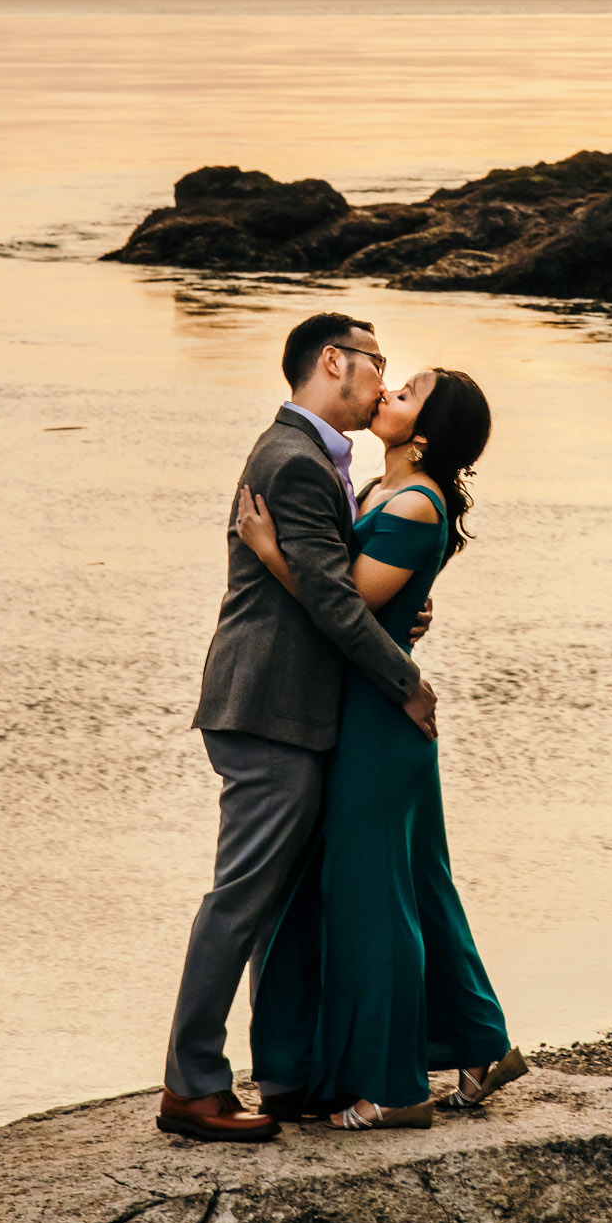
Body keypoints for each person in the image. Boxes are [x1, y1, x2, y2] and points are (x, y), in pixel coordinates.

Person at [158, 311, 438, 1144]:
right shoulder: (294, 459)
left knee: (272, 902)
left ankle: (283, 1073)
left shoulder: (315, 457)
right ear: (331, 361)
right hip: (268, 707)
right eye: (374, 363)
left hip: (284, 705)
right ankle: (192, 1089)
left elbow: (332, 585)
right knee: (241, 897)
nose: (383, 380)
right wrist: (403, 682)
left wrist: (390, 617)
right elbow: (322, 594)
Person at [239, 364, 526, 1131]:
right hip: (368, 713)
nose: (385, 395)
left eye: (403, 396)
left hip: (377, 723)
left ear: (423, 435)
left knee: (373, 901)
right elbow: (386, 600)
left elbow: (346, 606)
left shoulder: (413, 503)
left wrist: (270, 554)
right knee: (419, 888)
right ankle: (480, 1043)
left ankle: (397, 1089)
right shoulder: (379, 493)